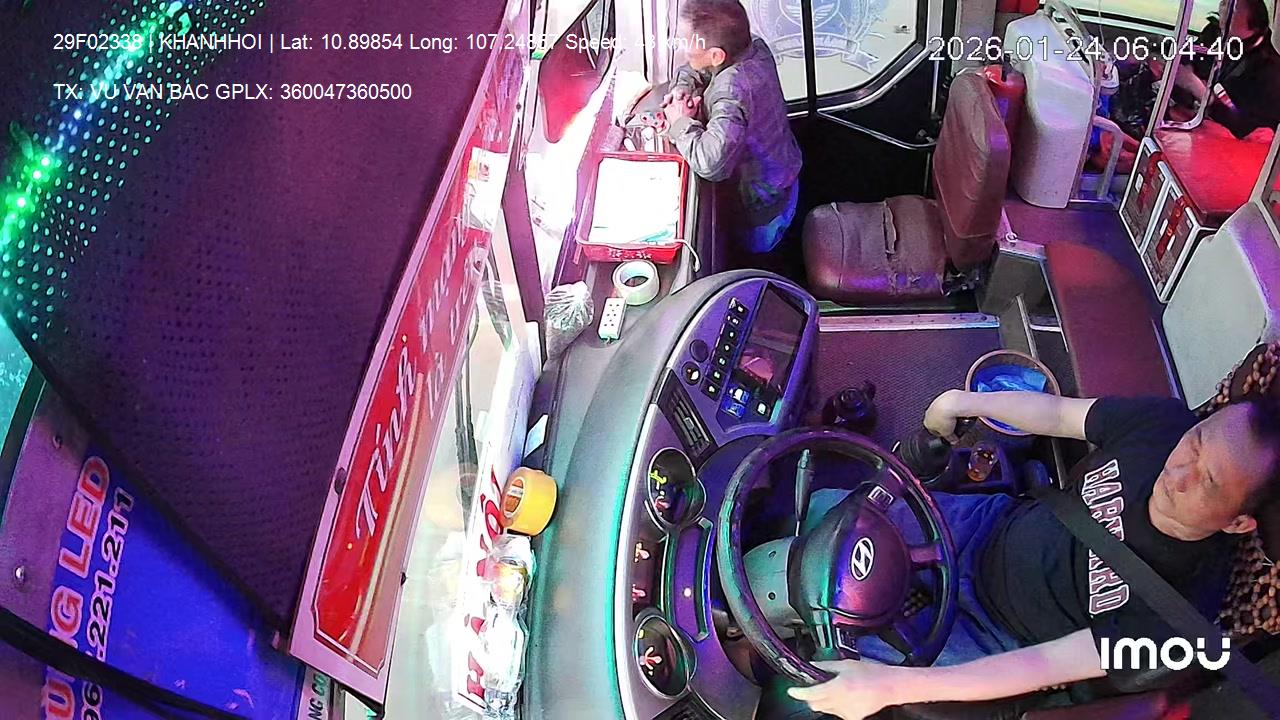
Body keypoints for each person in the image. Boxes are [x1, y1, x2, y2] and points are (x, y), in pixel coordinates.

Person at [786, 389, 1280, 720]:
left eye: (1208, 482)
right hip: (982, 526)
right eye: (1196, 443)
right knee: (827, 512)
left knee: (821, 669)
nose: (1179, 472)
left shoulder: (1182, 620)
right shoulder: (1162, 424)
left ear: (1237, 522)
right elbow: (1058, 414)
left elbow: (1043, 665)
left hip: (996, 633)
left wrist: (889, 687)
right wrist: (964, 401)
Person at [661, 0, 802, 269]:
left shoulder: (734, 91)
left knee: (757, 258)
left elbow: (711, 163)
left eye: (687, 43)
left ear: (716, 56)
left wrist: (680, 122)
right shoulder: (752, 46)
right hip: (785, 174)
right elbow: (694, 68)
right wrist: (682, 88)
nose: (682, 47)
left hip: (763, 207)